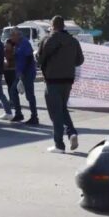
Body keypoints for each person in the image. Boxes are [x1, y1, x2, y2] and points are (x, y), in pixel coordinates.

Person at [37, 16, 85, 152]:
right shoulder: (73, 41)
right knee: (62, 109)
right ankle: (72, 133)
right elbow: (80, 60)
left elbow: (40, 59)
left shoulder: (47, 39)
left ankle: (59, 145)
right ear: (64, 26)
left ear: (52, 25)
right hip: (68, 80)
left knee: (55, 113)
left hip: (52, 81)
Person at [13, 28, 39, 124]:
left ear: (18, 35)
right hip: (20, 74)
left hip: (27, 74)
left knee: (29, 95)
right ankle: (18, 114)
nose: (11, 37)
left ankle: (34, 116)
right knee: (13, 91)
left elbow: (29, 57)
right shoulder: (17, 44)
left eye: (13, 35)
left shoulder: (25, 43)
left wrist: (23, 72)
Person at [4, 31, 19, 117]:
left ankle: (14, 100)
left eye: (7, 44)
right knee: (9, 86)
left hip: (13, 70)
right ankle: (11, 100)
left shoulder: (14, 51)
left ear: (11, 44)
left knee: (13, 87)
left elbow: (13, 60)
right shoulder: (4, 51)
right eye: (6, 44)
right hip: (6, 71)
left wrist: (8, 60)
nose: (6, 45)